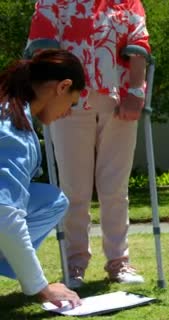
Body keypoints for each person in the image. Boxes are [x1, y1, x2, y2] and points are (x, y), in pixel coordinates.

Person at [27, 0, 151, 287]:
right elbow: (42, 48)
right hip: (68, 100)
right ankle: (75, 263)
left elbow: (139, 45)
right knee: (73, 188)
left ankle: (119, 262)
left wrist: (135, 91)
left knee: (115, 186)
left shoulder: (128, 1)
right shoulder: (51, 2)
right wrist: (53, 95)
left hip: (117, 99)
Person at [0, 49, 85, 307]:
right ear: (63, 87)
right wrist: (41, 287)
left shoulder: (9, 108)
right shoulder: (12, 130)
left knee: (53, 201)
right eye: (71, 103)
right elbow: (4, 213)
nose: (67, 112)